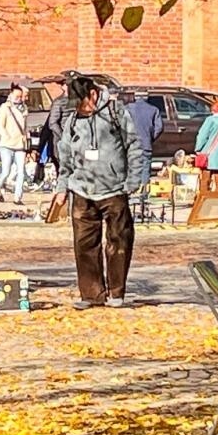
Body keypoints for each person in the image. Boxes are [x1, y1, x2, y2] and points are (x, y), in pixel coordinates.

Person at [57, 76, 144, 308]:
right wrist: (61, 187)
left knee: (118, 242)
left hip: (114, 188)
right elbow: (64, 155)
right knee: (84, 244)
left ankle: (116, 293)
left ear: (93, 95)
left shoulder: (116, 112)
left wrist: (133, 178)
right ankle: (91, 293)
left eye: (81, 102)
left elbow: (134, 145)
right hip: (82, 189)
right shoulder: (73, 120)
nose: (78, 108)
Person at [0, 84, 31, 204]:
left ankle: (17, 197)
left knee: (21, 171)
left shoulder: (24, 108)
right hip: (7, 144)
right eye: (17, 96)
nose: (19, 99)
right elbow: (0, 125)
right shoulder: (5, 107)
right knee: (6, 171)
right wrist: (6, 135)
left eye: (21, 97)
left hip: (20, 144)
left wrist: (26, 135)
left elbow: (25, 125)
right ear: (11, 95)